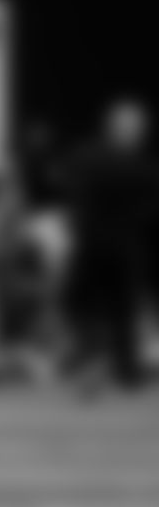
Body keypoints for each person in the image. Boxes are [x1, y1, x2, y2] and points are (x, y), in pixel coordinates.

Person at [61, 100, 159, 391]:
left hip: (95, 243)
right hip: (115, 245)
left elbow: (71, 192)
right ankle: (117, 368)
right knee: (117, 309)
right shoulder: (139, 166)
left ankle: (103, 362)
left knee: (93, 306)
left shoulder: (84, 155)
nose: (139, 133)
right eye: (135, 128)